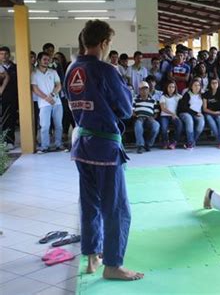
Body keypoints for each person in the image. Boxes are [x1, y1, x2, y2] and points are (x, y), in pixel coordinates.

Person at [65, 20, 144, 281]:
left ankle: (92, 257)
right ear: (102, 43)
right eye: (109, 42)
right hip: (105, 147)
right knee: (117, 208)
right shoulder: (105, 70)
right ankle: (113, 264)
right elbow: (125, 108)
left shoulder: (71, 69)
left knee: (90, 204)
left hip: (82, 144)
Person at [31, 52, 65, 153]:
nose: (47, 61)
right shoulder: (34, 73)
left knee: (59, 125)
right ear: (39, 60)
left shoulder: (53, 72)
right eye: (44, 59)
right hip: (44, 104)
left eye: (48, 60)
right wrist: (46, 98)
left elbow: (59, 85)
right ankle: (45, 146)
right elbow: (35, 89)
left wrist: (52, 95)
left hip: (57, 102)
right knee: (45, 126)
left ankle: (59, 144)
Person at [133, 81, 160, 153]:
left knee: (156, 125)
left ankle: (148, 144)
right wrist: (137, 116)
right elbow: (132, 111)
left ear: (148, 90)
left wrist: (153, 118)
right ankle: (140, 146)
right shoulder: (135, 99)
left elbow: (156, 112)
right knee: (138, 125)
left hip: (149, 118)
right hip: (139, 118)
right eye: (142, 89)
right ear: (139, 90)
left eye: (146, 89)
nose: (144, 90)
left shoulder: (153, 100)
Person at [177, 79, 205, 149]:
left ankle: (191, 141)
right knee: (189, 120)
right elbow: (184, 107)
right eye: (195, 85)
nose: (197, 87)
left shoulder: (202, 95)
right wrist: (195, 113)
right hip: (185, 113)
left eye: (198, 85)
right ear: (191, 86)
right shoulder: (187, 94)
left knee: (201, 123)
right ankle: (190, 143)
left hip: (197, 114)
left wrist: (199, 113)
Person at [0, 47, 18, 151]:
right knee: (2, 121)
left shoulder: (15, 67)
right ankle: (3, 142)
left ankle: (10, 141)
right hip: (1, 97)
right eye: (1, 54)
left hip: (12, 98)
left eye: (6, 54)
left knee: (10, 120)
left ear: (9, 55)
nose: (4, 56)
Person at [202, 78, 220, 149]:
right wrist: (214, 112)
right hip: (209, 113)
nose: (214, 84)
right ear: (210, 84)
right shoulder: (206, 94)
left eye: (216, 83)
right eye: (212, 83)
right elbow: (204, 108)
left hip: (218, 113)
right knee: (211, 121)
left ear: (218, 84)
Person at [159, 81, 183, 150]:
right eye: (169, 87)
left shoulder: (178, 96)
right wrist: (172, 113)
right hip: (164, 116)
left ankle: (174, 142)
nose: (171, 89)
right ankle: (165, 142)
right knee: (164, 128)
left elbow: (185, 100)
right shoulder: (163, 97)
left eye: (173, 87)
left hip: (174, 116)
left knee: (180, 125)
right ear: (166, 87)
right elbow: (163, 108)